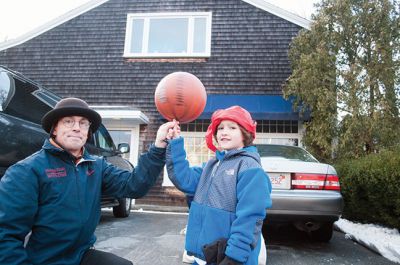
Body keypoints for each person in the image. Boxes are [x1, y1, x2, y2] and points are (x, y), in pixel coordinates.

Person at [0, 97, 177, 265]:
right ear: (54, 129)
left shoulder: (96, 166)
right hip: (43, 259)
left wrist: (159, 146)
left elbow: (134, 185)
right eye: (68, 121)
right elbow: (6, 235)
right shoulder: (26, 171)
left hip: (80, 255)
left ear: (87, 131)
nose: (77, 127)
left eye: (83, 123)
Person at [166, 106, 272, 265]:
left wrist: (235, 257)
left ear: (245, 133)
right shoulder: (211, 165)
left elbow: (250, 218)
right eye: (220, 128)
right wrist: (175, 142)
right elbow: (183, 179)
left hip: (230, 258)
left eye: (232, 127)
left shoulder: (250, 168)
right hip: (205, 255)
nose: (224, 131)